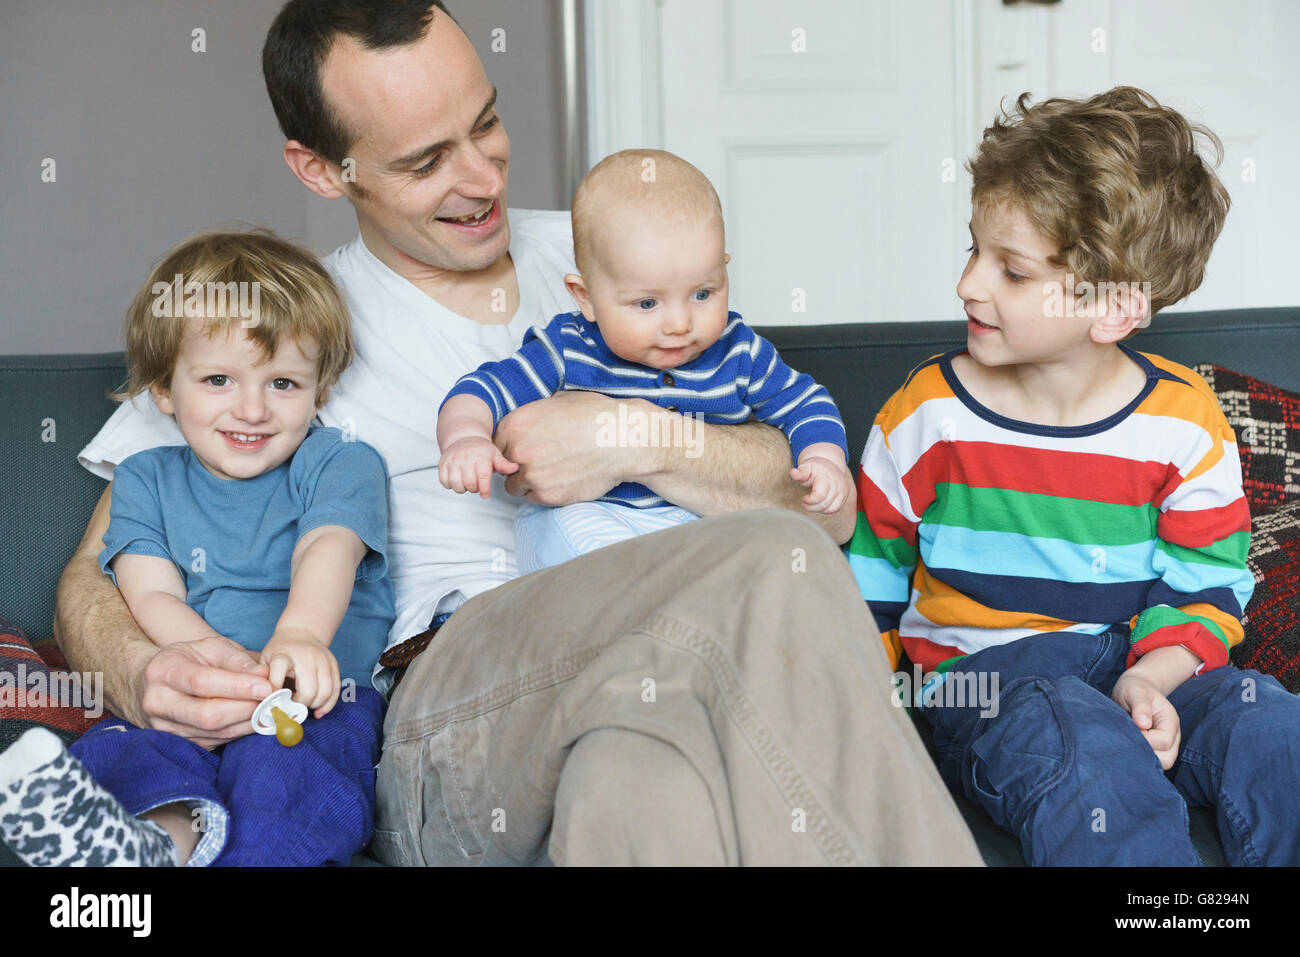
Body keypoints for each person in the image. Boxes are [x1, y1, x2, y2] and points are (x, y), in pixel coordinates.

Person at [54, 0, 984, 865]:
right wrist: (139, 667)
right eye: (426, 161)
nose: (482, 177)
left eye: (487, 125)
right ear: (320, 169)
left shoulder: (622, 256)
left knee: (639, 781)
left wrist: (634, 437)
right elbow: (94, 569)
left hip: (662, 679)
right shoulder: (280, 328)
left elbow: (817, 520)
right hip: (450, 707)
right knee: (758, 560)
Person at [850, 86, 1300, 865]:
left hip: (1135, 666)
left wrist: (1155, 679)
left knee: (1272, 722)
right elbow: (870, 583)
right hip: (980, 686)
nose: (968, 283)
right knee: (1075, 739)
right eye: (973, 249)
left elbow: (1205, 581)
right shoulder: (923, 414)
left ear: (1115, 309)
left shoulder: (1185, 422)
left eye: (1012, 271)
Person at [2, 230, 393, 866]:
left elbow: (328, 546)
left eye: (284, 384)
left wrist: (298, 634)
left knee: (284, 776)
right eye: (218, 379)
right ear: (163, 390)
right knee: (133, 749)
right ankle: (147, 849)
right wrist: (208, 654)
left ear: (321, 390)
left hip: (315, 706)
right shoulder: (144, 477)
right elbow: (149, 588)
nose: (252, 408)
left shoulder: (339, 462)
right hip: (195, 694)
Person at [438, 149, 853, 572]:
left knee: (771, 557)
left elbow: (806, 404)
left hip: (695, 520)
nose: (678, 323)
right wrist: (466, 439)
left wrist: (823, 459)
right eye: (647, 302)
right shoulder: (567, 347)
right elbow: (481, 390)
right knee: (586, 548)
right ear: (587, 298)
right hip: (595, 519)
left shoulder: (739, 350)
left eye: (702, 294)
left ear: (723, 272)